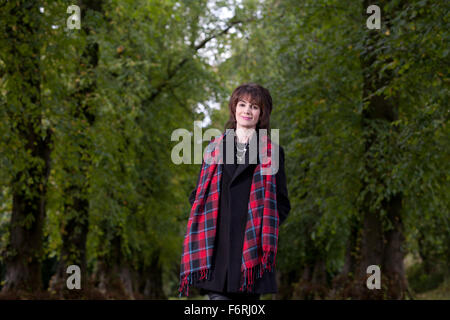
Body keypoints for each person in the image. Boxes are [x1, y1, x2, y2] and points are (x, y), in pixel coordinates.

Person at [179, 83, 291, 300]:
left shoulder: (273, 152)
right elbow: (198, 196)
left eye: (254, 106)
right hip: (217, 253)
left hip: (251, 256)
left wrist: (261, 227)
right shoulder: (214, 148)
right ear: (234, 108)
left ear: (262, 114)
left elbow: (282, 203)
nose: (247, 111)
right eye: (242, 104)